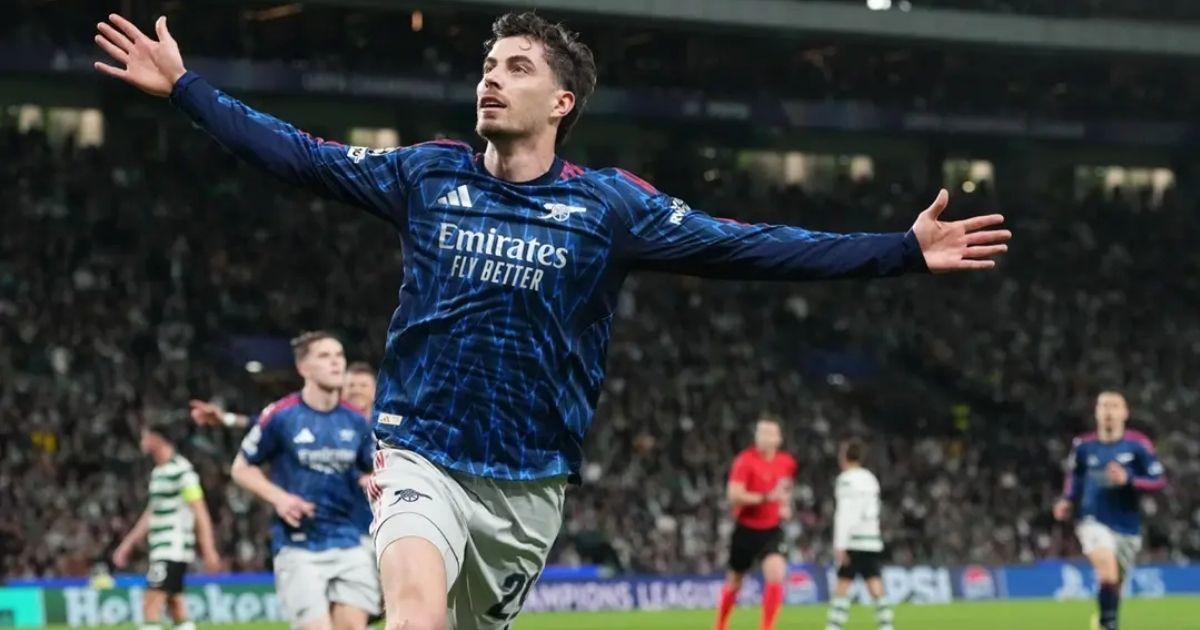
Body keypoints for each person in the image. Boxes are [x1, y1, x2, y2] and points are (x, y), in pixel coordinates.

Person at [93, 11, 1010, 629]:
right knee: (412, 616)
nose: (491, 80)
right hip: (418, 454)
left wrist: (898, 249)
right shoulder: (427, 175)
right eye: (488, 66)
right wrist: (188, 89)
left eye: (517, 68)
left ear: (561, 103)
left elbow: (750, 246)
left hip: (528, 488)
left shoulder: (610, 207)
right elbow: (299, 155)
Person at [230, 332, 380, 630]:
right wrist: (280, 499)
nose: (336, 362)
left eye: (339, 355)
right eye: (324, 356)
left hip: (349, 541)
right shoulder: (281, 415)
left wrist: (372, 480)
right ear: (303, 368)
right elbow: (241, 468)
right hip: (299, 545)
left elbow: (373, 468)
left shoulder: (355, 421)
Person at [1053, 391, 1166, 630]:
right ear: (1096, 412)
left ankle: (1103, 622)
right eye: (1103, 406)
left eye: (1114, 406)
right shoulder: (1083, 446)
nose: (1108, 411)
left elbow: (1158, 481)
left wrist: (1129, 480)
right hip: (1092, 520)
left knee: (1114, 586)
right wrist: (1067, 499)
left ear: (1125, 413)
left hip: (1128, 527)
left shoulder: (1138, 444)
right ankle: (1110, 626)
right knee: (1107, 571)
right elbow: (1075, 477)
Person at [112, 420, 221, 630]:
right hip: (162, 547)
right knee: (175, 605)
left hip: (173, 547)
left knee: (150, 603)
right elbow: (151, 513)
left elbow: (200, 511)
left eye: (145, 436)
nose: (141, 442)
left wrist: (208, 549)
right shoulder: (159, 473)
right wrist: (127, 544)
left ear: (157, 439)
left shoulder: (182, 472)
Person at [715, 416, 796, 630]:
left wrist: (785, 505)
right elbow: (734, 496)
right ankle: (720, 625)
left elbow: (786, 487)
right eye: (760, 433)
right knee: (735, 581)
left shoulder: (786, 462)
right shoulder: (745, 461)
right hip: (746, 528)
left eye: (768, 433)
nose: (763, 437)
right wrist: (766, 498)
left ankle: (766, 628)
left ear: (778, 439)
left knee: (776, 574)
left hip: (771, 529)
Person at [825, 438, 892, 630]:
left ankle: (833, 627)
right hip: (872, 539)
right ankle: (886, 625)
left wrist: (840, 544)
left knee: (842, 585)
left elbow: (845, 514)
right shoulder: (870, 478)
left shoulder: (845, 479)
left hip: (854, 540)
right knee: (874, 583)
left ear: (845, 456)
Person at [189, 362, 377, 429]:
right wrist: (225, 419)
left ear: (376, 391)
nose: (356, 390)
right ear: (341, 390)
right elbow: (267, 423)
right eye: (350, 385)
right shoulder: (322, 421)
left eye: (363, 385)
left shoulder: (388, 425)